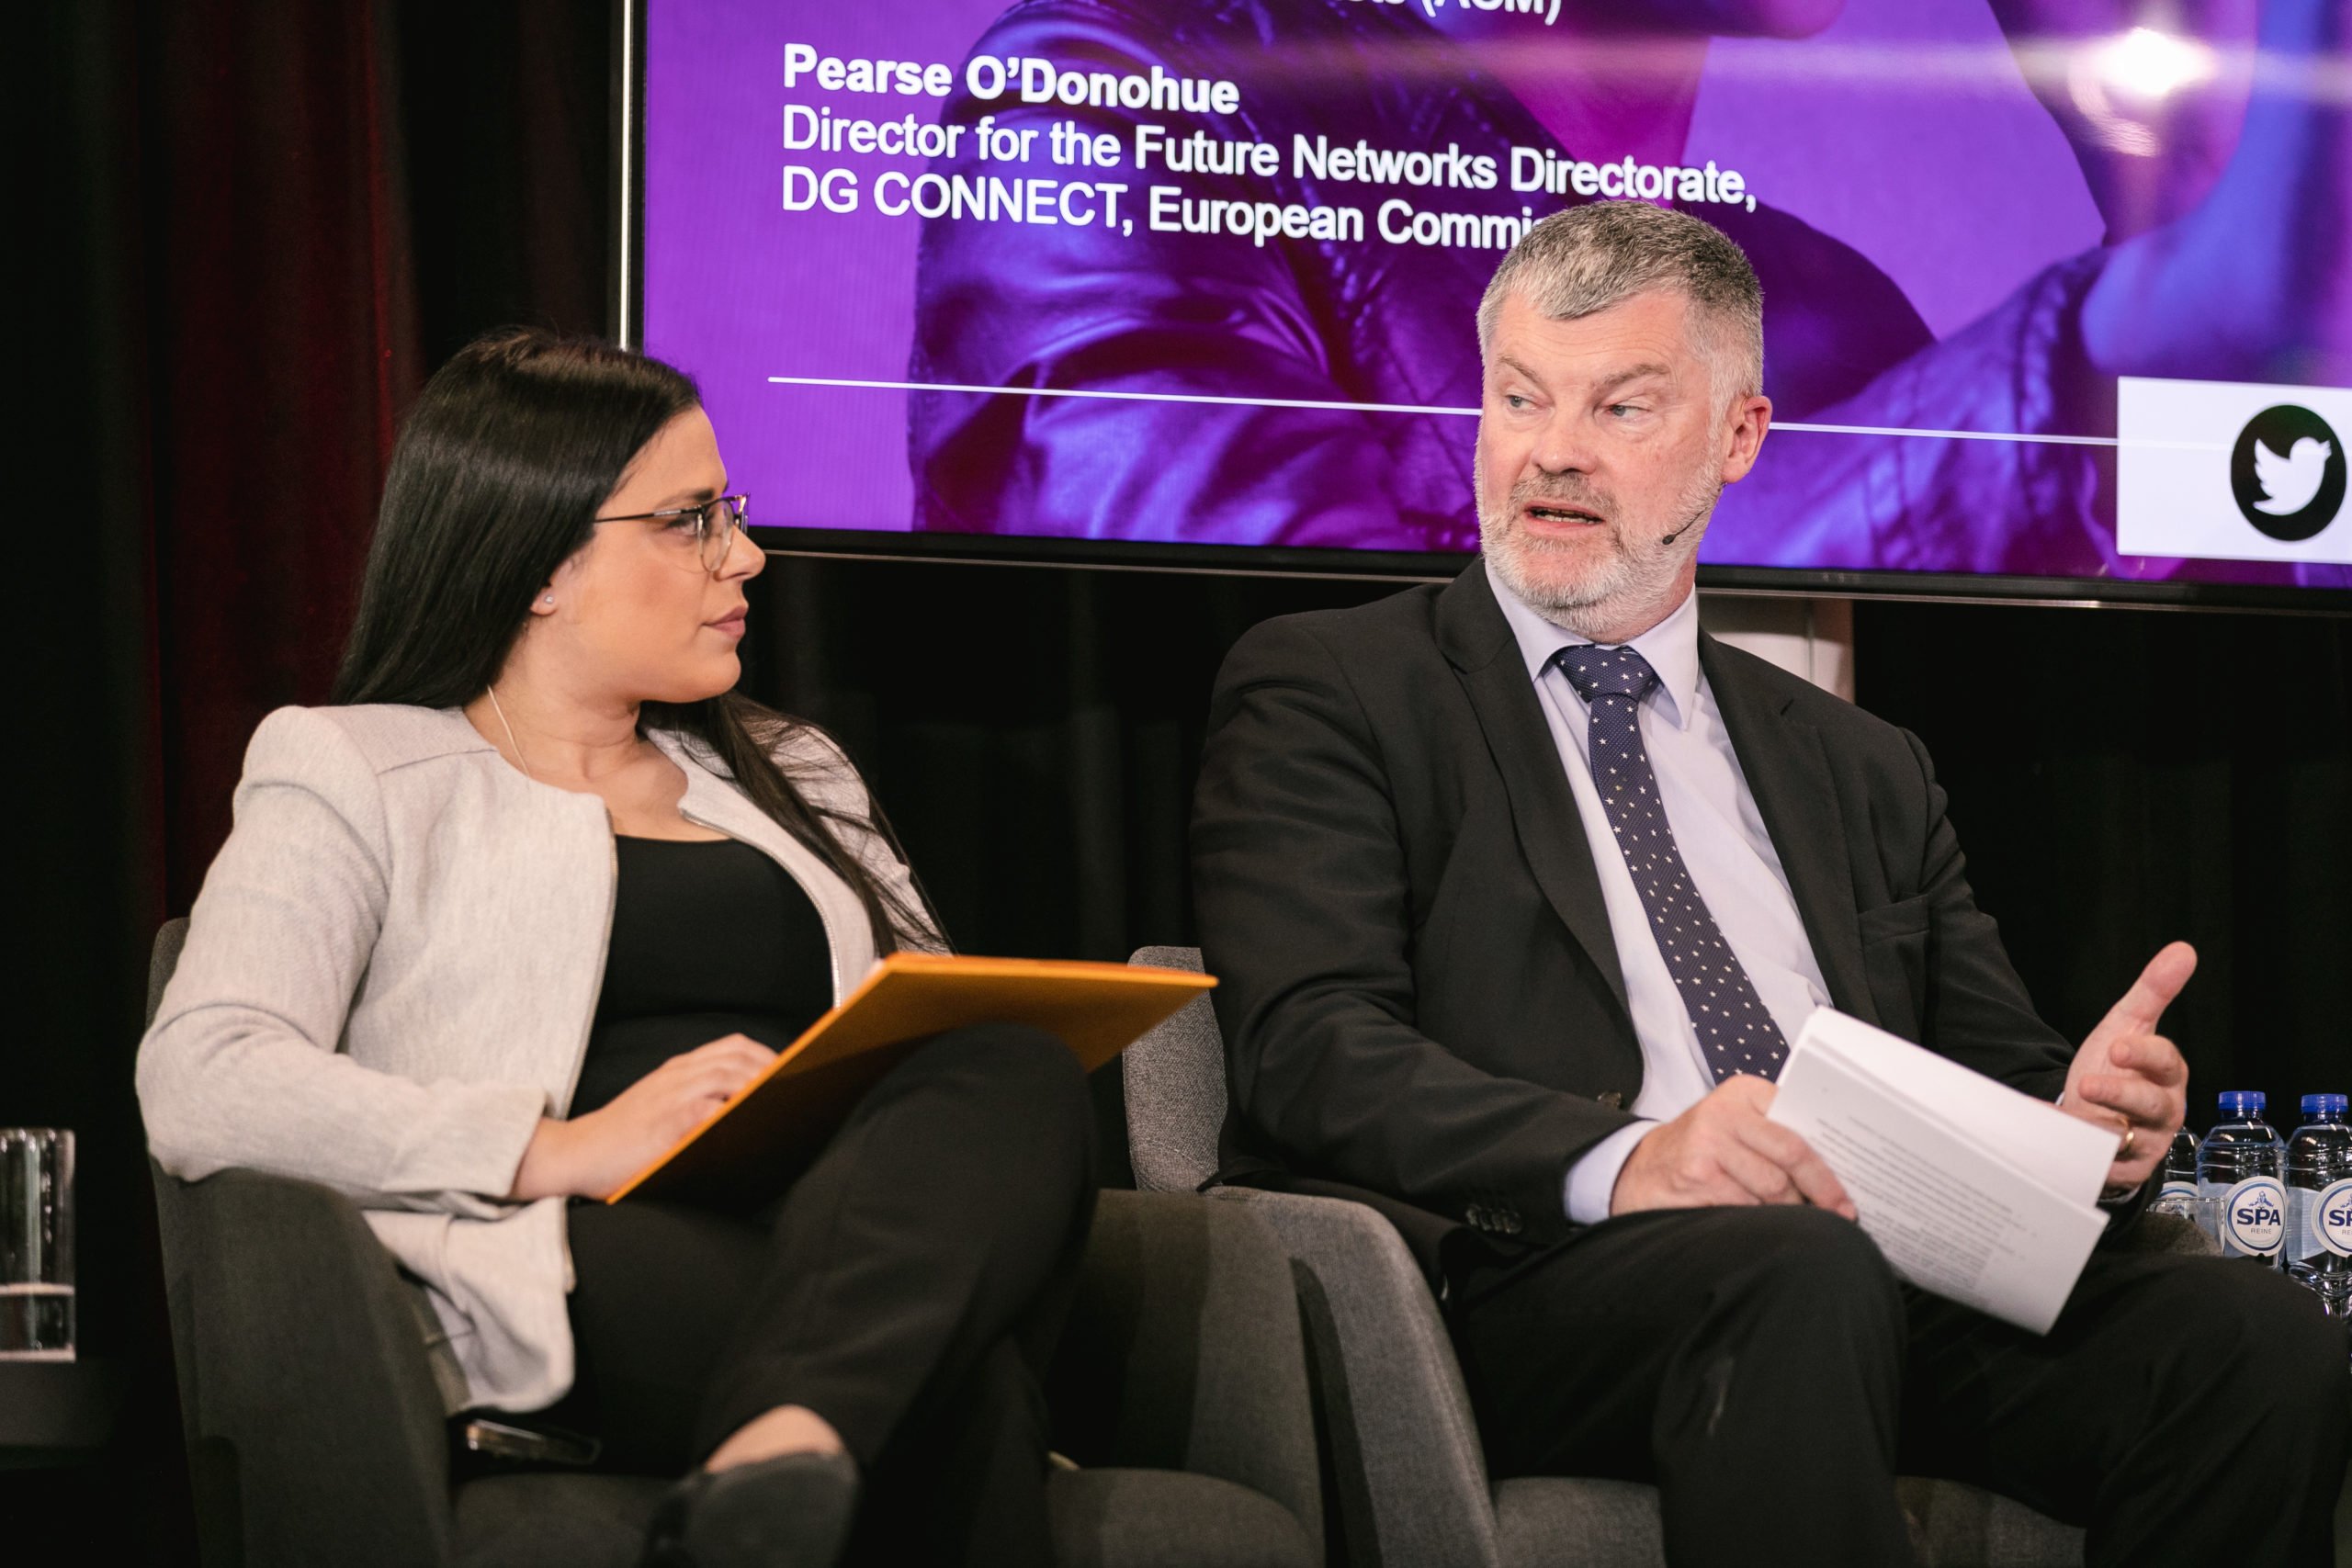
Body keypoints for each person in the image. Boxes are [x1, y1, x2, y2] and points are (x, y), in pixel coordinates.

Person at [1190, 201, 2347, 1564]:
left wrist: (2086, 1128)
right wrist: (1634, 1161)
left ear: (1739, 438)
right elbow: (1310, 1047)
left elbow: (1999, 1071)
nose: (1551, 452)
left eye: (1622, 408)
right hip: (1540, 1277)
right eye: (1517, 398)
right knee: (1795, 1275)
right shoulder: (1336, 687)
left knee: (2253, 1343)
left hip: (1876, 1275)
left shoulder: (1860, 764)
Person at [136, 330, 1098, 1568]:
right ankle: (793, 1437)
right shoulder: (357, 769)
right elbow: (205, 1073)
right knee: (965, 1395)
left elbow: (920, 1027)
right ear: (539, 562)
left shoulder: (795, 770)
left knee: (1007, 1059)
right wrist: (555, 1148)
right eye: (691, 519)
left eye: (732, 513)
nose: (745, 555)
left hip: (840, 1230)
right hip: (578, 1245)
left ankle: (775, 1450)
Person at [909, 0, 2350, 588]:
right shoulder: (1108, 100)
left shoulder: (1831, 311)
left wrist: (2178, 173)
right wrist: (2113, 343)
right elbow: (1306, 669)